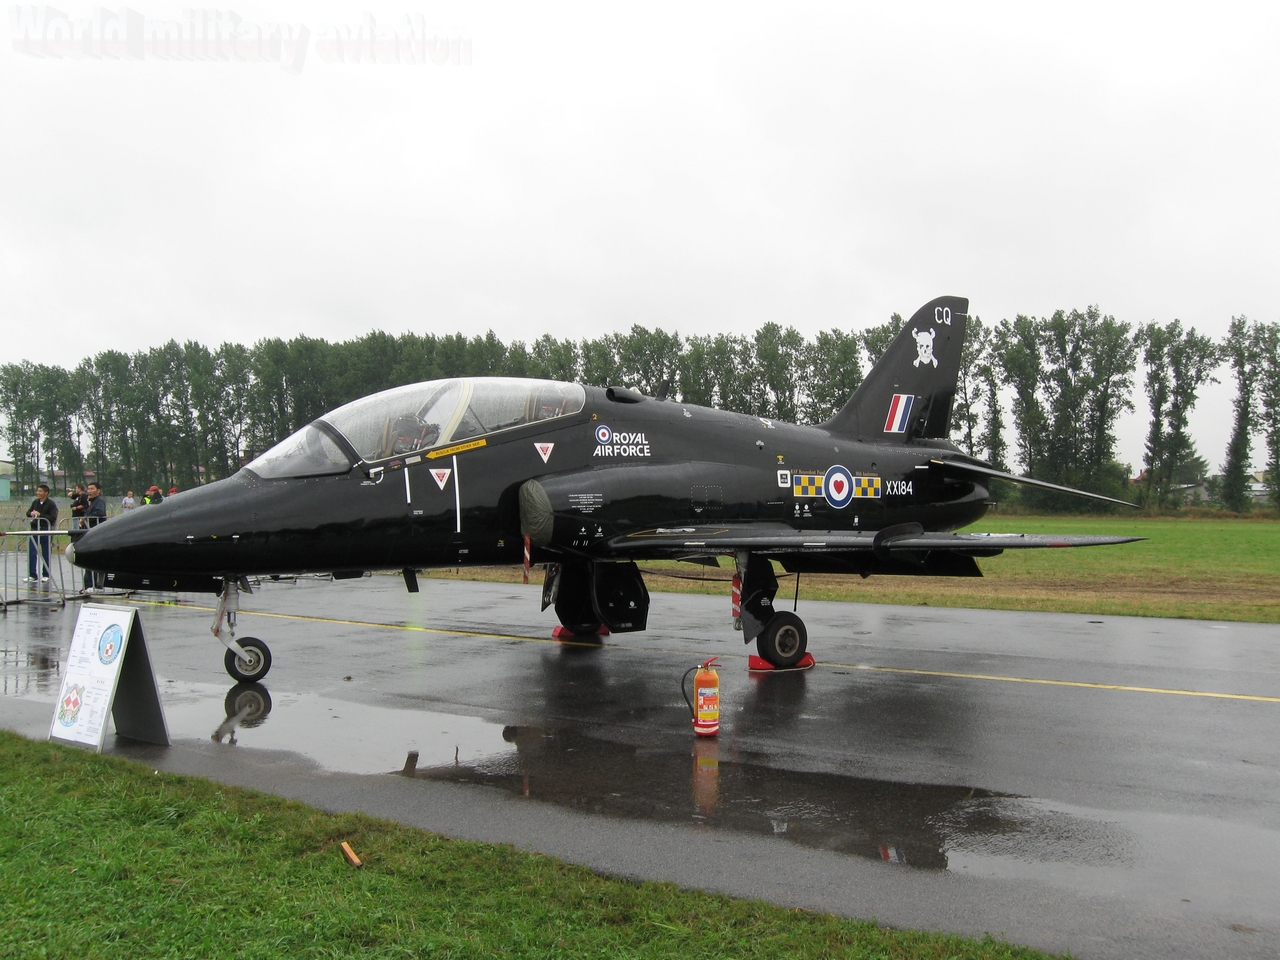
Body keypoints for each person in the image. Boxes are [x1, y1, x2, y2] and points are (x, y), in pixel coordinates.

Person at [26, 483, 58, 583]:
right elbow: (28, 512)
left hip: (45, 531)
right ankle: (32, 575)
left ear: (46, 493)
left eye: (40, 491)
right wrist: (31, 513)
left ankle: (46, 574)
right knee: (32, 552)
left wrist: (40, 515)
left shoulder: (51, 504)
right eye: (37, 491)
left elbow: (52, 518)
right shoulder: (35, 502)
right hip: (35, 530)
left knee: (46, 553)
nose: (38, 493)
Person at [81, 482, 107, 592]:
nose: (89, 491)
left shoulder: (99, 501)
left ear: (98, 490)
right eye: (88, 489)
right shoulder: (92, 502)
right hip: (90, 534)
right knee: (88, 560)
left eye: (92, 489)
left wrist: (86, 518)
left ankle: (96, 585)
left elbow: (100, 512)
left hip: (97, 534)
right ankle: (88, 585)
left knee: (94, 560)